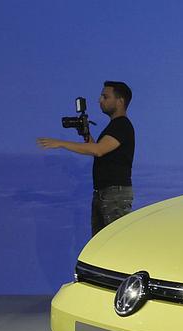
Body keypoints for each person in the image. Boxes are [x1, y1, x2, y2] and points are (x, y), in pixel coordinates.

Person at [38, 81, 135, 235]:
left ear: (120, 101)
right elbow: (98, 149)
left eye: (105, 97)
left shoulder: (122, 125)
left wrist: (61, 143)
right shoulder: (115, 126)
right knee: (101, 242)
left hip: (114, 194)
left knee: (114, 240)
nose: (100, 100)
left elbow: (99, 150)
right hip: (105, 192)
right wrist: (86, 134)